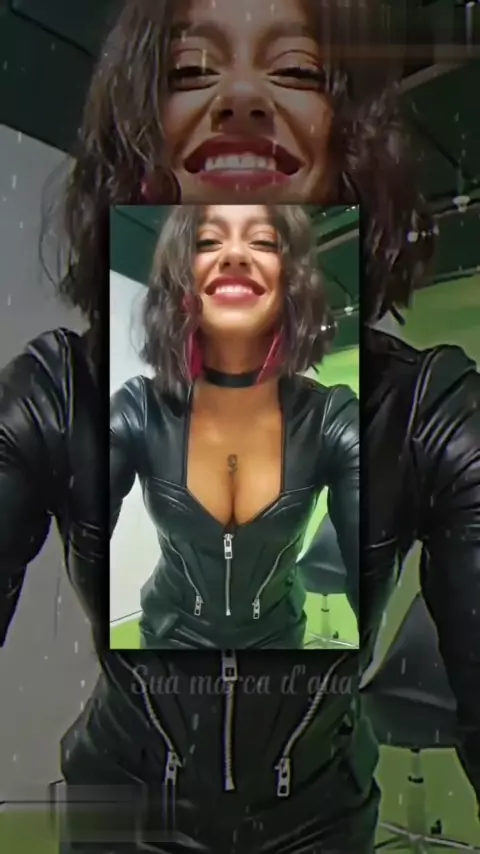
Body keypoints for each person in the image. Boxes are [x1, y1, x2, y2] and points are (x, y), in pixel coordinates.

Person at [0, 0, 479, 851]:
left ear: (346, 143)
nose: (244, 97)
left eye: (295, 71)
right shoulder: (62, 395)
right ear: (146, 147)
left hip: (322, 823)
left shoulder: (419, 413)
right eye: (191, 71)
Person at [110, 203, 359, 650]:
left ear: (292, 282)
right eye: (208, 241)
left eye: (262, 241)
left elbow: (375, 563)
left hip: (279, 646)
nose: (235, 254)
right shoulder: (138, 410)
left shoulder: (330, 419)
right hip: (169, 643)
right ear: (181, 281)